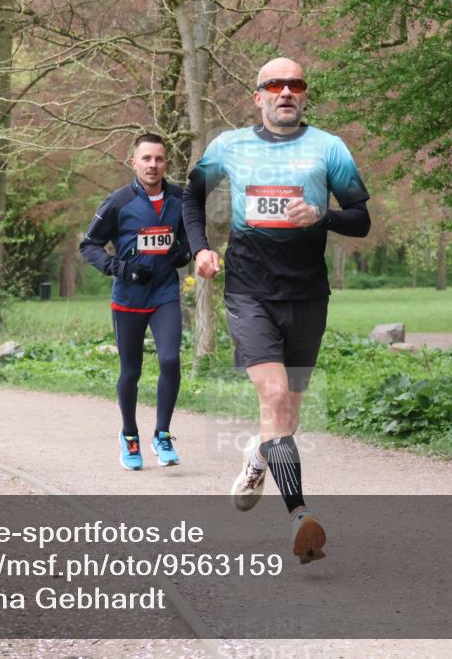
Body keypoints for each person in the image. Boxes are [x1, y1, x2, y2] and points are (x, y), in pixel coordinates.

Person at [182, 58, 371, 564]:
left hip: (308, 294)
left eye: (295, 84)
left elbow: (361, 219)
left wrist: (322, 215)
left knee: (288, 414)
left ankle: (258, 453)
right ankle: (300, 517)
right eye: (275, 85)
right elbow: (191, 199)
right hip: (249, 290)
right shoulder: (228, 146)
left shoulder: (329, 148)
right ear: (258, 96)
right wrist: (200, 247)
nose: (285, 91)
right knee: (274, 398)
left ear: (304, 95)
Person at [81, 133, 192, 470]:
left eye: (158, 159)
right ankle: (129, 435)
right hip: (128, 298)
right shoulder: (118, 202)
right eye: (146, 159)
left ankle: (162, 433)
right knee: (131, 371)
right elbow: (89, 246)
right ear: (134, 162)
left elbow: (189, 236)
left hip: (164, 294)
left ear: (165, 163)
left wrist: (183, 252)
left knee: (170, 360)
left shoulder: (179, 198)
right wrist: (120, 269)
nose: (153, 165)